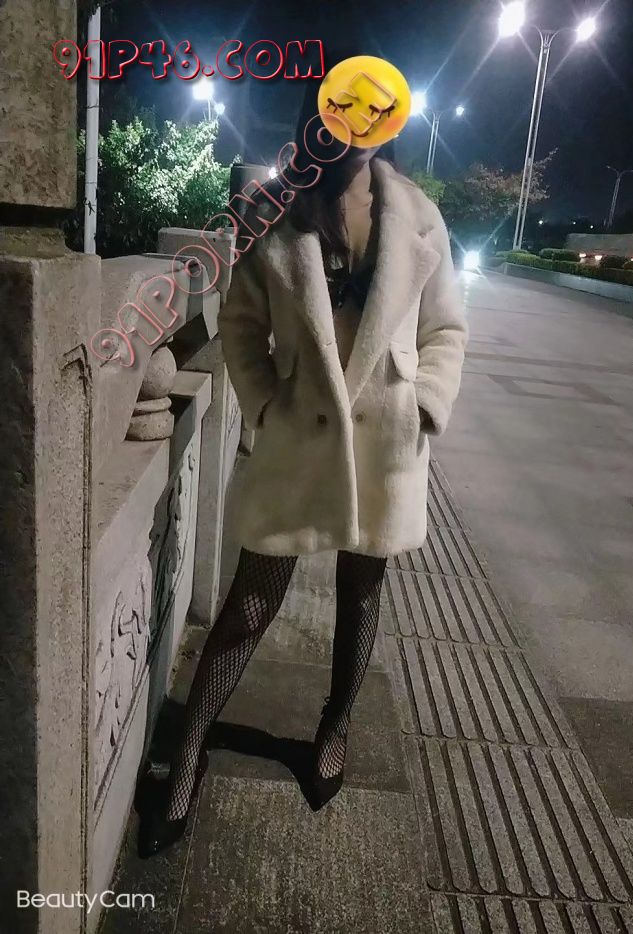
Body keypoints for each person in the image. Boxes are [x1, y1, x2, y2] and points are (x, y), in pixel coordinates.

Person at [141, 73, 467, 857]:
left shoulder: (419, 215)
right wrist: (263, 406)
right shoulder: (275, 211)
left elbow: (447, 329)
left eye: (374, 110)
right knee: (252, 603)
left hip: (385, 439)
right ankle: (190, 750)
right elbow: (240, 324)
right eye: (343, 108)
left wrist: (425, 403)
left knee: (363, 595)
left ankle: (335, 728)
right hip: (300, 434)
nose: (358, 122)